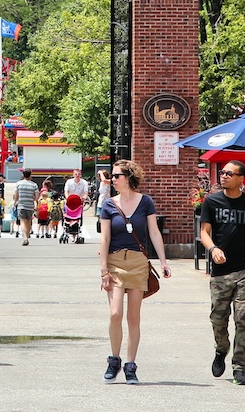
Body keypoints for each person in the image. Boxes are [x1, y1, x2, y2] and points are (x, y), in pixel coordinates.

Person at [98, 160, 169, 385]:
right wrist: (103, 270)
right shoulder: (108, 205)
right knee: (115, 313)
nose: (112, 179)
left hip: (138, 262)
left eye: (116, 175)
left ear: (128, 178)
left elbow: (154, 233)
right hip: (115, 261)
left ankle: (130, 365)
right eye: (112, 176)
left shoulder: (145, 202)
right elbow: (105, 238)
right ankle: (114, 360)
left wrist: (163, 261)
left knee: (133, 317)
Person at [199, 160, 245, 386]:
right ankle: (221, 348)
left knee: (242, 318)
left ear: (241, 179)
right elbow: (204, 232)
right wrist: (213, 249)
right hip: (220, 272)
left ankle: (239, 367)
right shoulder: (212, 201)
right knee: (218, 318)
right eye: (223, 172)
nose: (224, 176)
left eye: (229, 173)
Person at [13, 168, 38, 245]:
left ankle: (25, 238)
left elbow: (16, 195)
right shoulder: (34, 185)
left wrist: (15, 203)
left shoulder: (18, 184)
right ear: (30, 175)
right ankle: (27, 235)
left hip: (21, 205)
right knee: (29, 221)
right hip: (30, 206)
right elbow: (37, 197)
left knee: (22, 221)